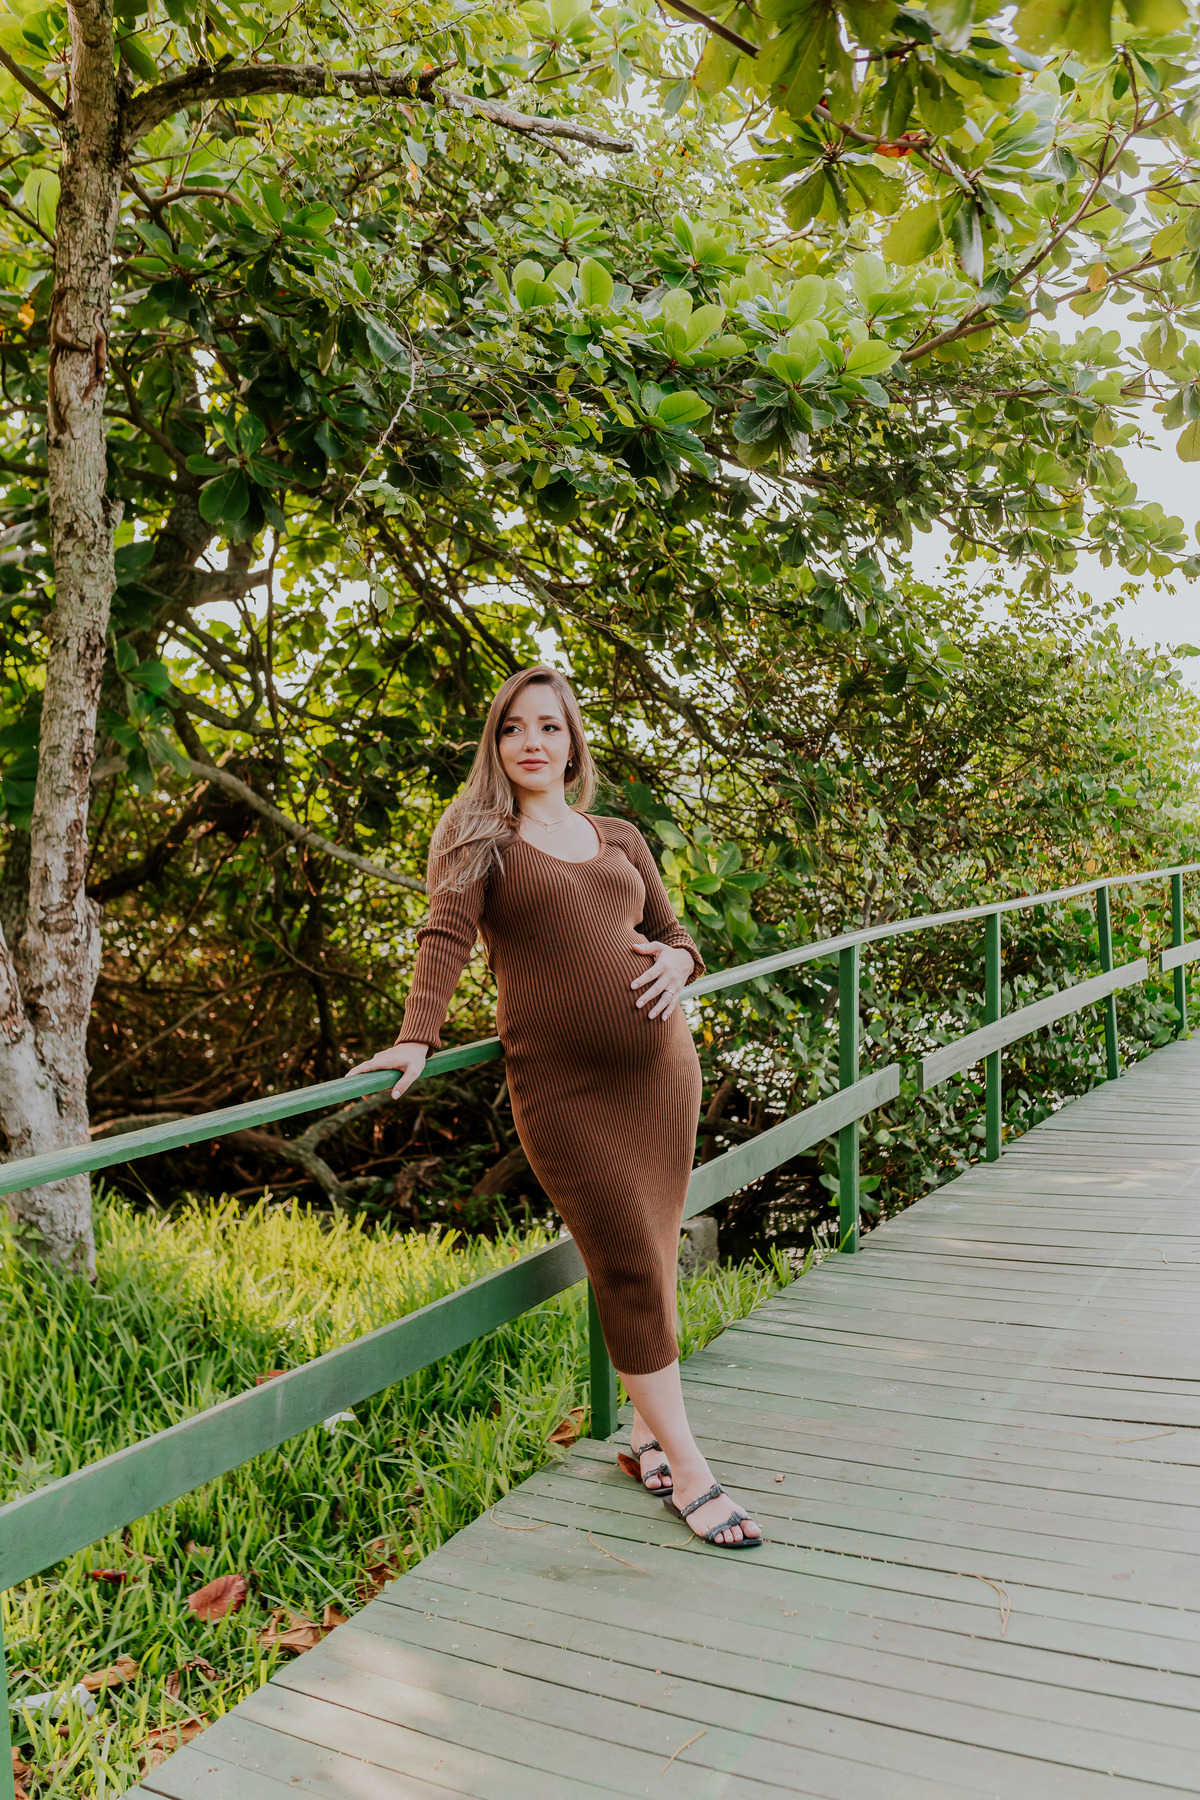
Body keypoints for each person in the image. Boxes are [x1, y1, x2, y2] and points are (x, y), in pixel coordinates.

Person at [351, 664, 762, 1549]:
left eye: (548, 726)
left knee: (650, 1255)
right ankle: (692, 1472)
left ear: (572, 741)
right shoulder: (476, 835)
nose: (531, 742)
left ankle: (649, 1441)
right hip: (565, 1092)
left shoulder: (616, 834)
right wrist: (418, 1035)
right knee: (624, 1261)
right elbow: (445, 936)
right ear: (494, 744)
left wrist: (681, 964)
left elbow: (676, 933)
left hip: (662, 1075)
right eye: (512, 728)